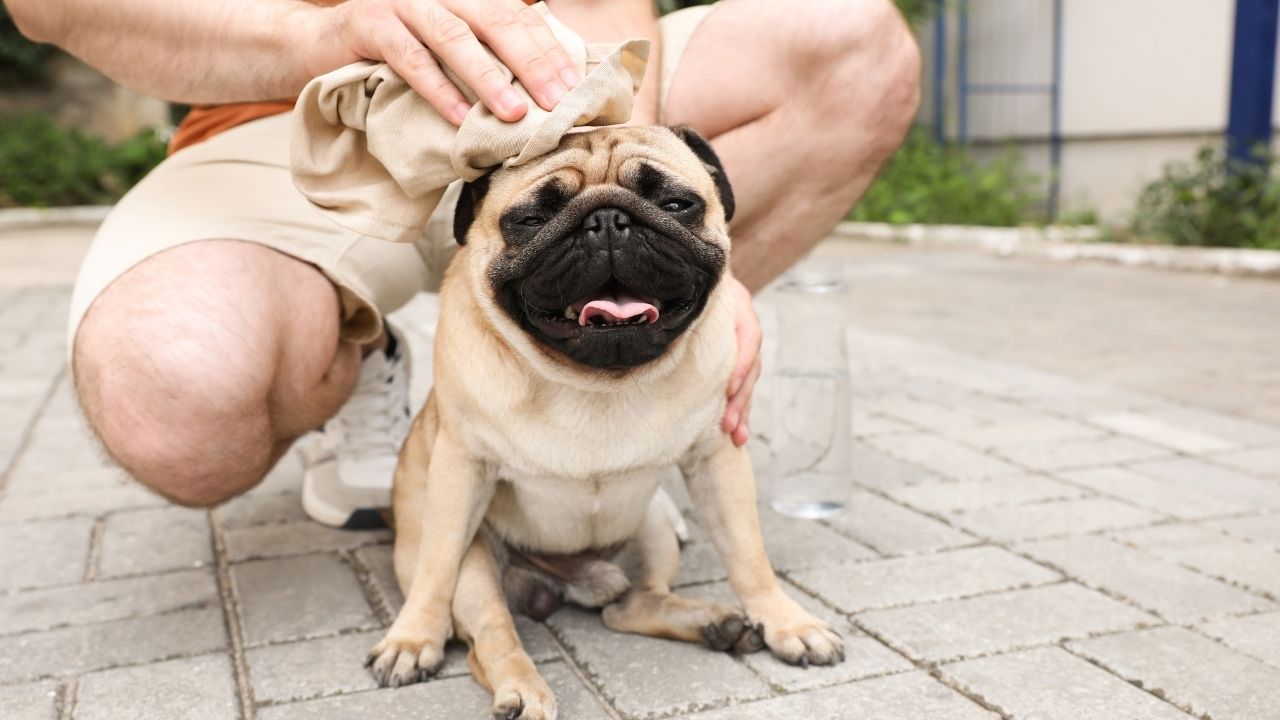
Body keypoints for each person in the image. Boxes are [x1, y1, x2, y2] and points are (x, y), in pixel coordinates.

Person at [8, 0, 920, 527]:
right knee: (174, 404)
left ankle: (635, 391)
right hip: (283, 112)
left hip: (549, 98)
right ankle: (367, 352)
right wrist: (318, 34)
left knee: (854, 42)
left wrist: (663, 237)